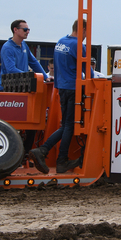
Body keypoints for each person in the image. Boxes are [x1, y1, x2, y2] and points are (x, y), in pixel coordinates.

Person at [29, 19, 94, 174]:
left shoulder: (61, 42)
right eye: (87, 32)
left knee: (65, 125)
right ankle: (58, 158)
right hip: (73, 89)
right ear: (83, 29)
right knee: (69, 126)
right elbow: (88, 71)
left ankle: (45, 152)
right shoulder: (78, 46)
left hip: (61, 88)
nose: (87, 36)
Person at [0, 19, 50, 90]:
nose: (28, 32)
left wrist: (45, 77)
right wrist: (32, 76)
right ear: (15, 30)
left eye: (29, 30)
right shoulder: (8, 48)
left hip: (22, 87)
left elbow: (33, 62)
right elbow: (11, 69)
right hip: (9, 88)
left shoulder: (23, 44)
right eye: (25, 29)